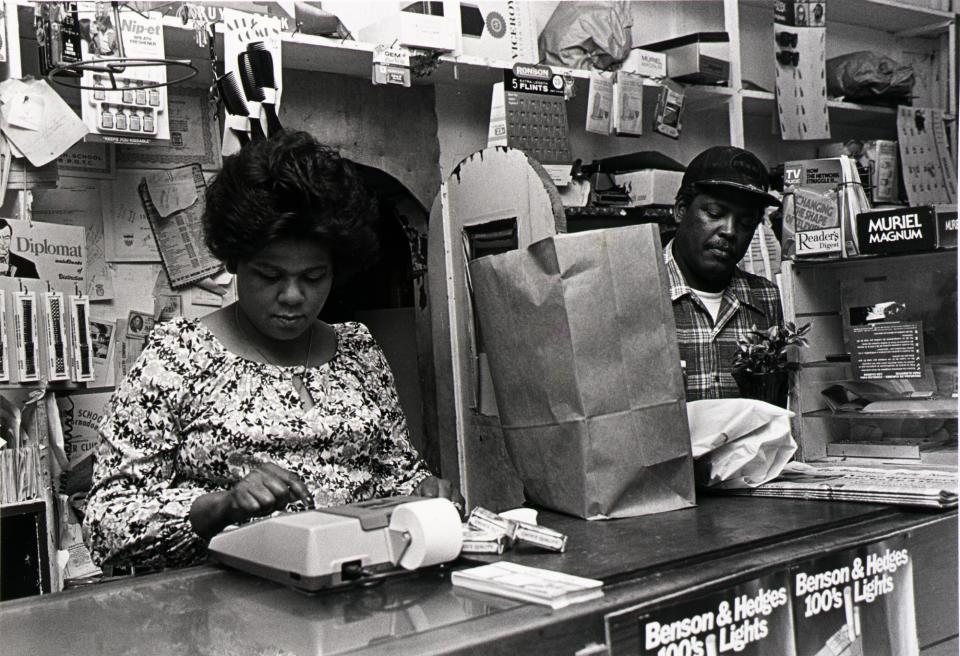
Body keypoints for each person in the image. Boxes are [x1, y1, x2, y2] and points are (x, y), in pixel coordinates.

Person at [84, 131, 463, 570]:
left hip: (356, 600)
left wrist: (427, 494)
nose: (292, 296)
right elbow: (105, 523)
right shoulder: (177, 359)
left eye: (314, 277)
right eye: (269, 275)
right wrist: (219, 506)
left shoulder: (359, 352)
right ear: (233, 262)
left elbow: (399, 477)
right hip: (229, 616)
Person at [666, 146, 784, 401]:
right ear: (681, 210)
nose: (729, 231)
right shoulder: (636, 288)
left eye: (745, 223)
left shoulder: (766, 298)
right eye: (715, 213)